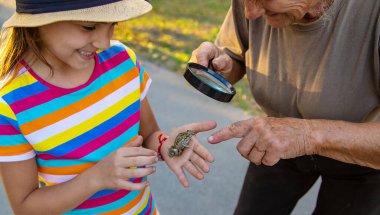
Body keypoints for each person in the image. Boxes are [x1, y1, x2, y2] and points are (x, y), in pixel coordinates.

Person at [0, 0, 216, 214]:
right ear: (39, 21)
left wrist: (165, 144)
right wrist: (97, 178)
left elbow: (149, 133)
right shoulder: (10, 103)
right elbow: (25, 206)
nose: (104, 43)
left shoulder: (122, 61)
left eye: (113, 25)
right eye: (89, 27)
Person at [191, 0, 380, 214]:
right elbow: (236, 56)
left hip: (361, 154)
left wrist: (306, 136)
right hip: (276, 139)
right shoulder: (253, 7)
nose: (250, 13)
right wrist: (220, 66)